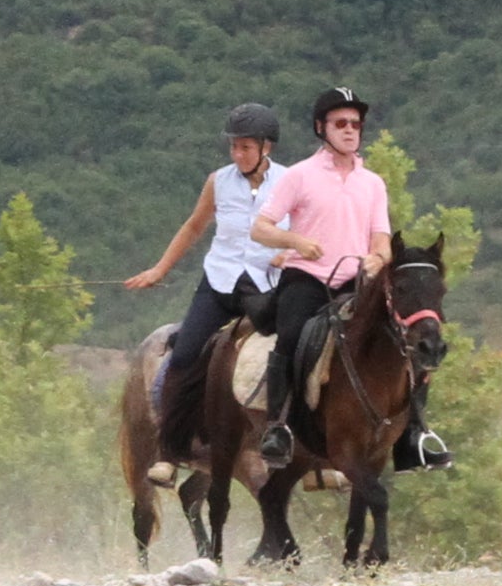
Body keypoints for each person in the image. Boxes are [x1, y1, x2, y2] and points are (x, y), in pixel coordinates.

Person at [251, 85, 449, 473]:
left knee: (410, 339)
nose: (350, 130)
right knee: (292, 337)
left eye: (355, 124)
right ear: (320, 128)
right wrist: (295, 241)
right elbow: (261, 228)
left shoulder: (372, 183)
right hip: (306, 279)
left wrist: (377, 259)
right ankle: (278, 428)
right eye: (340, 123)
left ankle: (413, 435)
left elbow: (380, 238)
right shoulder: (299, 176)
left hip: (356, 282)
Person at [122, 102, 285, 483]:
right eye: (234, 146)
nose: (238, 154)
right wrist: (159, 269)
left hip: (265, 284)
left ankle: (292, 442)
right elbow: (194, 227)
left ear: (266, 148)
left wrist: (290, 253)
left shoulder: (289, 183)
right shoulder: (219, 181)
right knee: (184, 353)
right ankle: (169, 450)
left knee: (293, 350)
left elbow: (308, 229)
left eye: (246, 147)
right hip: (220, 282)